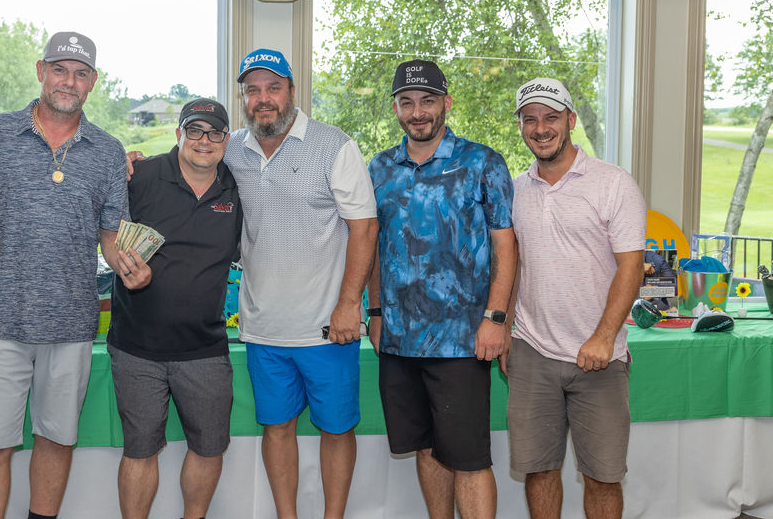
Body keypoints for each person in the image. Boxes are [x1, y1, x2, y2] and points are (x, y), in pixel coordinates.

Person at [0, 31, 150, 519]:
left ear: (93, 82)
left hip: (70, 325)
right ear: (40, 71)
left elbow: (110, 235)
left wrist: (128, 267)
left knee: (56, 440)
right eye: (59, 70)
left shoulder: (108, 151)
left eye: (80, 73)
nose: (68, 81)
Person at [224, 48, 378, 519]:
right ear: (243, 98)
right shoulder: (231, 149)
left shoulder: (334, 145)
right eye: (253, 90)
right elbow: (187, 165)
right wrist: (134, 161)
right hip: (262, 328)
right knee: (276, 428)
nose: (263, 98)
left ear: (292, 91)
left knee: (337, 429)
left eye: (273, 88)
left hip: (326, 329)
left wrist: (349, 304)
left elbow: (364, 228)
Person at [365, 60, 518, 519]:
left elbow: (506, 247)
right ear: (396, 108)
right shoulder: (379, 168)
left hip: (462, 340)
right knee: (426, 447)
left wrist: (496, 318)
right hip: (398, 338)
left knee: (469, 459)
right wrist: (375, 313)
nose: (418, 112)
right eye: (407, 102)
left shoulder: (482, 163)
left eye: (427, 101)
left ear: (446, 103)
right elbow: (374, 246)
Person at [504, 77, 646, 519]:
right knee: (539, 470)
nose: (540, 128)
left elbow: (631, 267)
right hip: (532, 351)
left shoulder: (613, 183)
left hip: (599, 357)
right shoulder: (515, 189)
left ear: (571, 120)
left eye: (551, 117)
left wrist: (603, 337)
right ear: (521, 126)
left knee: (603, 475)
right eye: (530, 119)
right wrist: (505, 330)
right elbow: (513, 266)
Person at [107, 98, 242, 519]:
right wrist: (116, 163)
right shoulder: (140, 176)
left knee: (209, 447)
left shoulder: (238, 188)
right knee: (139, 450)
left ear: (226, 140)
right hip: (136, 348)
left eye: (215, 132)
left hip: (205, 347)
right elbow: (104, 226)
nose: (204, 140)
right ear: (179, 133)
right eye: (195, 130)